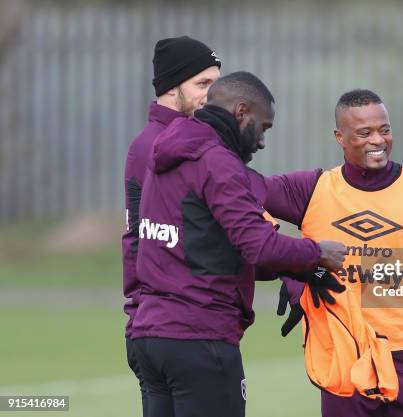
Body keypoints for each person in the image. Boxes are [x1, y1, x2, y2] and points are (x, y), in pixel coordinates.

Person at [131, 71, 348, 417]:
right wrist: (317, 253)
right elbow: (259, 245)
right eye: (264, 128)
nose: (261, 142)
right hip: (199, 339)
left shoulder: (167, 153)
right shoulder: (216, 161)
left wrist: (300, 272)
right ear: (241, 111)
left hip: (151, 338)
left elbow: (209, 250)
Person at [266, 89, 403, 417]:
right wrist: (294, 268)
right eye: (364, 133)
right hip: (345, 362)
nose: (377, 140)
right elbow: (237, 193)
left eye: (385, 129)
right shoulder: (312, 189)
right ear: (340, 137)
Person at [121, 35, 221, 416]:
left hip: (151, 327)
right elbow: (139, 238)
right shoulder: (172, 146)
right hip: (184, 329)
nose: (213, 95)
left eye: (216, 83)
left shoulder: (147, 143)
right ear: (170, 87)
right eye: (202, 84)